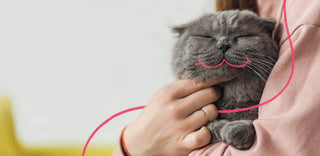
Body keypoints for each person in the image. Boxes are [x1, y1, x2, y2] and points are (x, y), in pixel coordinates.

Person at [113, 0, 320, 155]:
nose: (223, 45)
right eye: (205, 38)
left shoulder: (307, 12)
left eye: (243, 37)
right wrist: (132, 144)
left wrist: (137, 148)